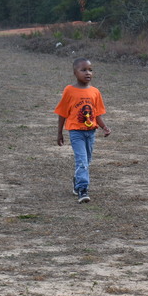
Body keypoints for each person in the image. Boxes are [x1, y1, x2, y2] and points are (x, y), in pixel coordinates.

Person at [55, 58, 111, 203]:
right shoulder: (69, 90)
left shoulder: (95, 92)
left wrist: (104, 127)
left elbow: (97, 113)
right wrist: (60, 132)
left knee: (87, 160)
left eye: (90, 70)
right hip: (76, 132)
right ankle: (82, 189)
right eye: (83, 70)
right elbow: (63, 112)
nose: (88, 73)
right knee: (82, 161)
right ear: (75, 73)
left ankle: (77, 179)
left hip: (91, 131)